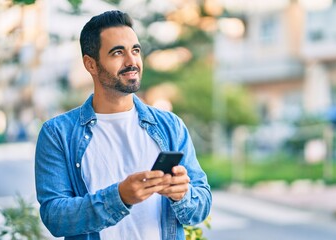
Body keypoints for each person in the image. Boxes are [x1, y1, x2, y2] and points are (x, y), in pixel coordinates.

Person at [35, 10, 212, 240]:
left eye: (135, 50)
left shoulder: (170, 126)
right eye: (118, 52)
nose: (132, 62)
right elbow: (55, 218)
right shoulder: (57, 134)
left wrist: (182, 195)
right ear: (90, 64)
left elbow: (201, 206)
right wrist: (119, 198)